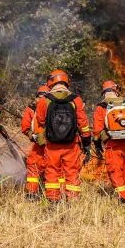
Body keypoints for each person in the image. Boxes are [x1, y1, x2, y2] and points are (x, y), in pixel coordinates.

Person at [33, 70, 92, 201]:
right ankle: (72, 199)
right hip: (71, 143)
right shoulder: (76, 99)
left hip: (52, 144)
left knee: (52, 171)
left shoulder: (44, 100)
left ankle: (53, 200)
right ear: (67, 81)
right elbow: (83, 123)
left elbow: (40, 121)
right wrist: (87, 141)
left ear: (51, 82)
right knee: (72, 171)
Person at [92, 80, 125, 203]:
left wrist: (98, 146)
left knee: (114, 170)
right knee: (124, 170)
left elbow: (97, 131)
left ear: (104, 93)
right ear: (116, 91)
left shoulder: (101, 107)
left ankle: (123, 198)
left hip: (113, 144)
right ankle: (124, 194)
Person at [20, 84, 50, 198]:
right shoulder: (54, 105)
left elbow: (25, 127)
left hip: (37, 145)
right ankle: (54, 194)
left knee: (33, 167)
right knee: (53, 168)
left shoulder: (31, 109)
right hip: (52, 144)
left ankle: (32, 193)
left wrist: (32, 136)